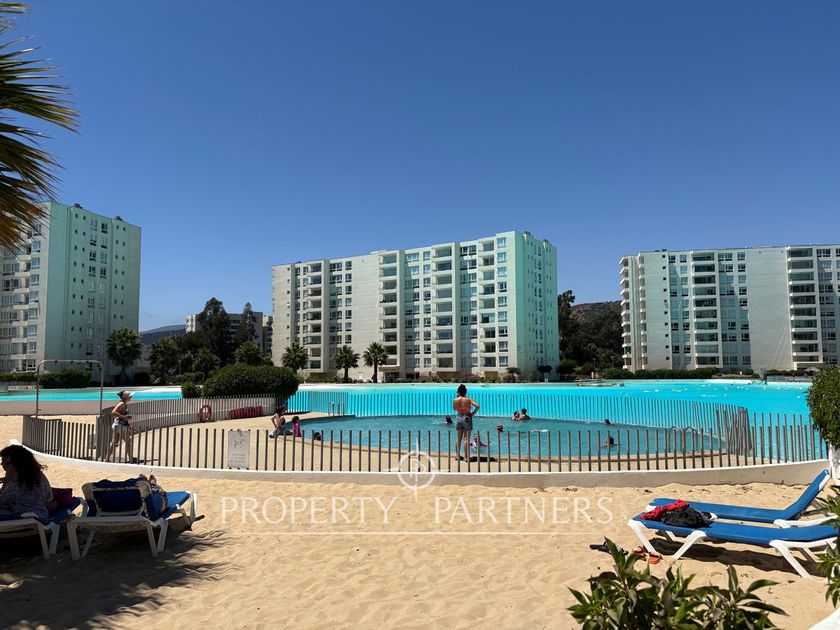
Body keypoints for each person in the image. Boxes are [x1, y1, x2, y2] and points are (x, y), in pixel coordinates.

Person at [0, 444, 55, 521]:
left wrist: (7, 480)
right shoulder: (38, 475)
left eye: (8, 463)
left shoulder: (16, 481)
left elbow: (2, 499)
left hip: (25, 520)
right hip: (41, 516)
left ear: (17, 465)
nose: (2, 464)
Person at [106, 390, 135, 463]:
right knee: (128, 442)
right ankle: (131, 459)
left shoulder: (123, 403)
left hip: (118, 425)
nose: (131, 397)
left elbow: (120, 415)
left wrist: (127, 422)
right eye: (130, 396)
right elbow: (113, 412)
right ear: (126, 397)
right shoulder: (122, 404)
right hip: (120, 426)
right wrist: (124, 417)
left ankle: (107, 458)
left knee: (114, 442)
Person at [452, 384, 479, 461]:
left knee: (458, 438)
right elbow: (477, 406)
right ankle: (466, 457)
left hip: (459, 418)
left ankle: (457, 456)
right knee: (466, 439)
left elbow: (454, 408)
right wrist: (472, 414)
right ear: (465, 392)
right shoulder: (468, 399)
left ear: (458, 392)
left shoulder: (455, 400)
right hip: (467, 418)